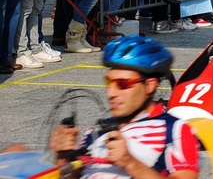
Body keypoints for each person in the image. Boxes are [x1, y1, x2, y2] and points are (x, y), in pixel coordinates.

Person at [49, 35, 200, 177]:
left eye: (122, 84)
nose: (111, 93)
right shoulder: (97, 131)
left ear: (149, 85)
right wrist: (64, 156)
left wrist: (130, 163)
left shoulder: (175, 129)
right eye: (109, 82)